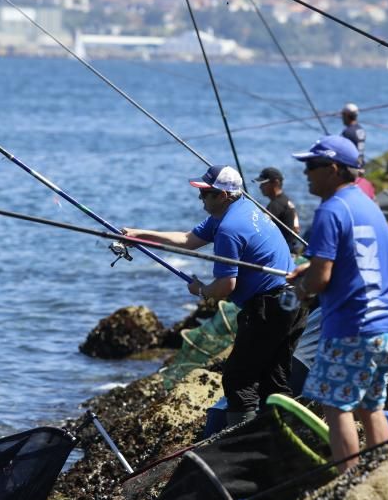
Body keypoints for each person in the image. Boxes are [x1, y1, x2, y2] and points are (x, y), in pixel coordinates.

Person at [123, 165, 306, 427]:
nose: (200, 198)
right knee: (274, 377)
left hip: (270, 306)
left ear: (222, 195)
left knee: (238, 378)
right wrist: (141, 235)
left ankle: (240, 444)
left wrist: (200, 290)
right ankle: (279, 436)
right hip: (294, 302)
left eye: (205, 193)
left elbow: (225, 287)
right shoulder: (240, 208)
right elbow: (188, 239)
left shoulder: (229, 227)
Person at [287, 136, 388, 472]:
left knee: (337, 407)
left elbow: (321, 279)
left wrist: (301, 289)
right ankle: (379, 473)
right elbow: (361, 257)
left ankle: (349, 479)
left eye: (311, 166)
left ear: (333, 169)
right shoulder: (369, 206)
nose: (306, 173)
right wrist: (313, 269)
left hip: (350, 329)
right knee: (371, 406)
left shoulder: (330, 210)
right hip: (385, 327)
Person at [254, 167, 302, 255]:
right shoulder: (286, 200)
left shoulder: (276, 205)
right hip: (293, 249)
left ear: (276, 183)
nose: (260, 187)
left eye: (264, 184)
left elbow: (258, 227)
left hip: (286, 252)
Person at [340, 103, 366, 168]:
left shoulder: (347, 132)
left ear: (347, 115)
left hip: (351, 166)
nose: (341, 117)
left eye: (343, 115)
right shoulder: (361, 129)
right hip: (360, 164)